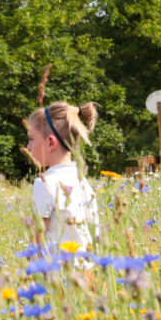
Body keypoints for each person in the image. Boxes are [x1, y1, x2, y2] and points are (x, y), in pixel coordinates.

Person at [25, 101, 100, 253]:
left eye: (31, 139)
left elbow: (38, 239)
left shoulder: (45, 183)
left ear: (50, 142)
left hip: (60, 271)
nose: (28, 147)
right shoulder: (82, 181)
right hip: (89, 269)